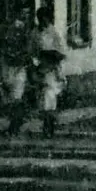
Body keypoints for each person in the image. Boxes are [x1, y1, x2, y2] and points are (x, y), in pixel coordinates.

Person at [0, 11, 35, 137]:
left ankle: (15, 124)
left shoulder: (26, 33)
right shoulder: (6, 30)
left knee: (16, 96)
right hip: (7, 66)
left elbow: (28, 51)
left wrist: (23, 58)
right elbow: (0, 48)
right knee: (7, 97)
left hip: (18, 68)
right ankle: (17, 120)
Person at [34, 7, 69, 137]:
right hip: (40, 70)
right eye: (40, 19)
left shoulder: (54, 33)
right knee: (42, 101)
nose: (42, 22)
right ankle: (47, 123)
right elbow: (31, 51)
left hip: (53, 71)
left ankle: (48, 126)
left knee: (49, 98)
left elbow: (62, 54)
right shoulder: (35, 33)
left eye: (44, 19)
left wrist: (52, 54)